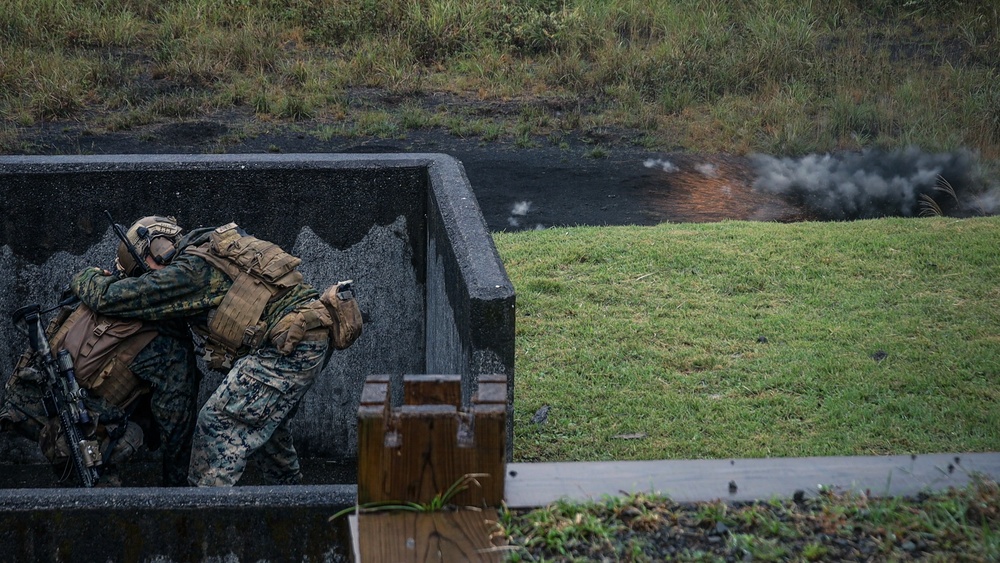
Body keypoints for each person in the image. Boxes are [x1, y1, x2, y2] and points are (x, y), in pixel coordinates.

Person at [70, 217, 362, 487]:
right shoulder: (210, 248)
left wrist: (87, 277)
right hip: (305, 336)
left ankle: (203, 518)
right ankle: (294, 503)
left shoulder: (190, 270)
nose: (145, 274)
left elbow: (111, 298)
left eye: (142, 266)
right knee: (266, 427)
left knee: (218, 424)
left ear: (159, 247)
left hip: (290, 343)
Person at [1, 217, 200, 486]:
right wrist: (177, 494)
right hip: (70, 424)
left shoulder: (96, 284)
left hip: (23, 402)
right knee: (133, 436)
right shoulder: (167, 340)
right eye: (167, 254)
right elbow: (176, 427)